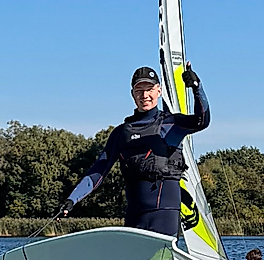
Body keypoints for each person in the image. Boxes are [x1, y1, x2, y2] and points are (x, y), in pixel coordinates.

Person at [59, 63, 209, 237]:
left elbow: (202, 120)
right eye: (139, 90)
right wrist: (72, 199)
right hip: (134, 214)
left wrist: (196, 87)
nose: (144, 95)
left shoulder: (171, 124)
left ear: (159, 91)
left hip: (165, 211)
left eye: (149, 89)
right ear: (132, 94)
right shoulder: (122, 133)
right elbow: (98, 171)